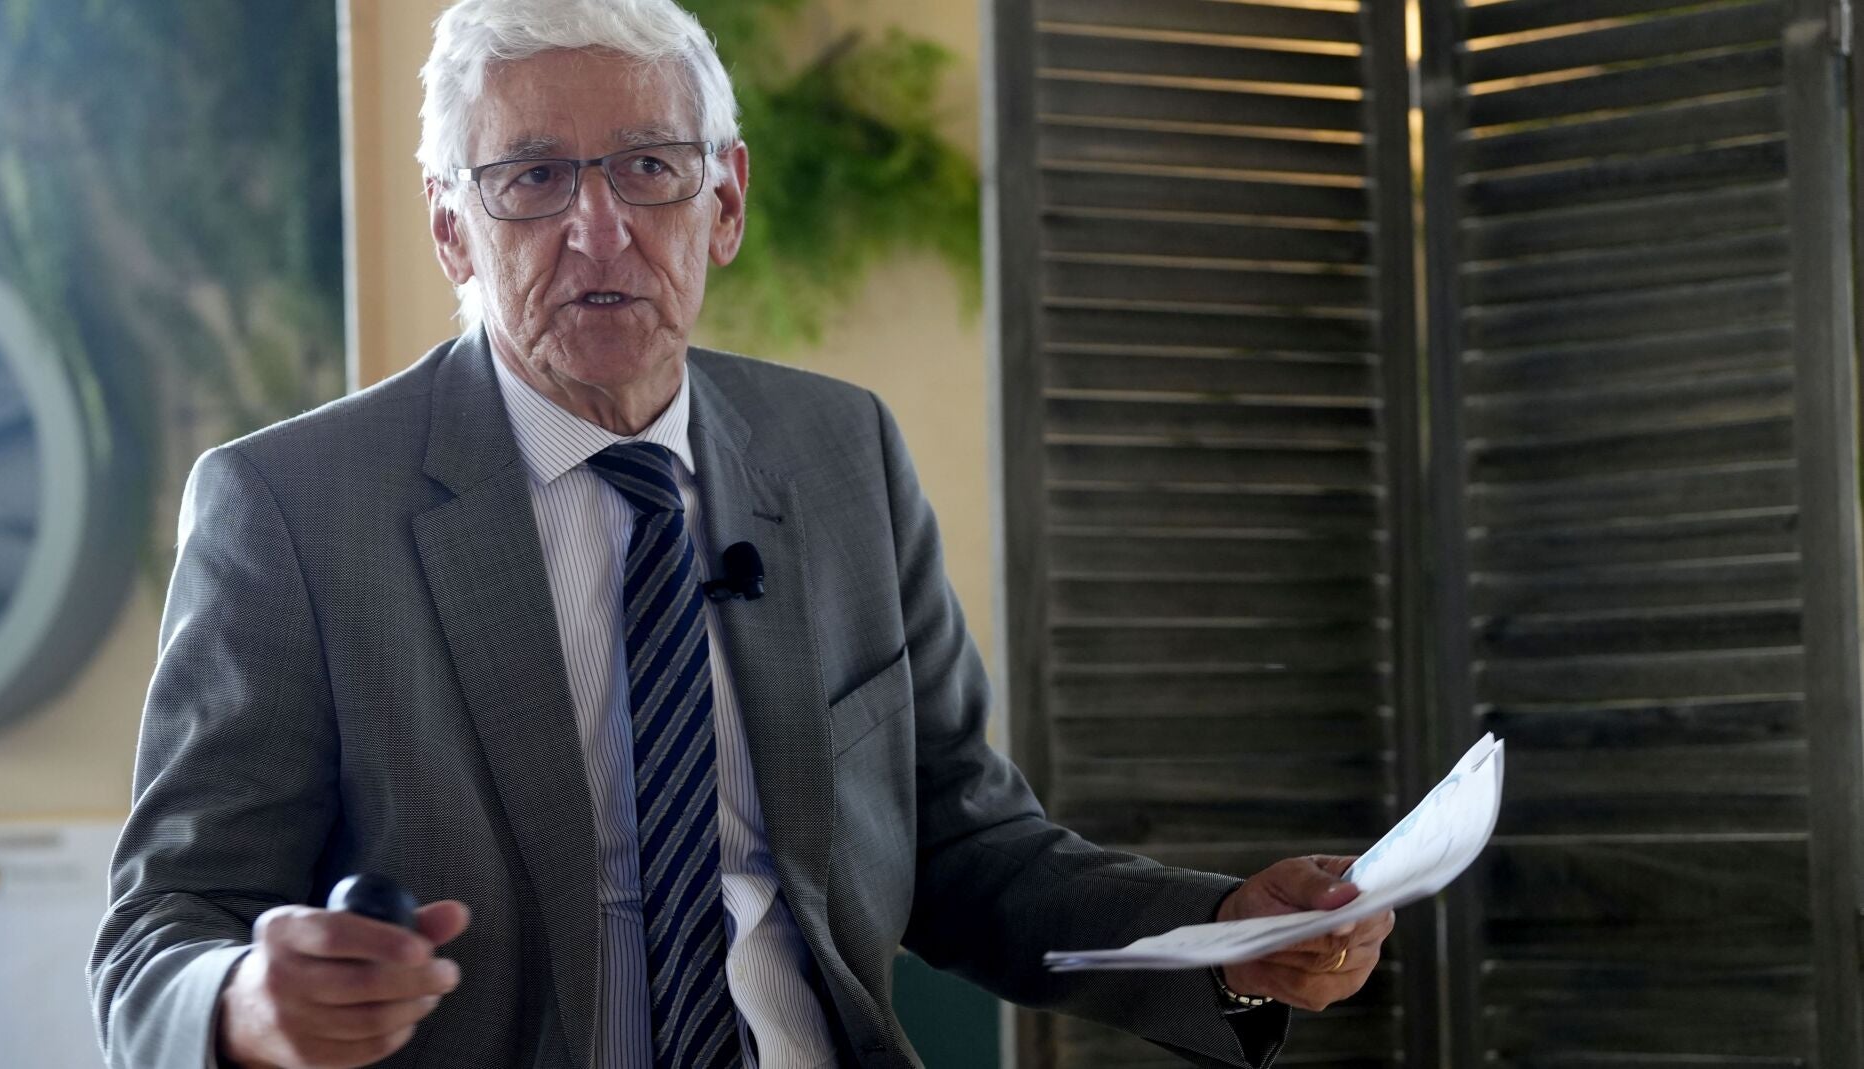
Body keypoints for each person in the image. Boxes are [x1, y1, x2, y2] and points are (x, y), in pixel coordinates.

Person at [88, 1, 1392, 1066]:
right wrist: (244, 1003)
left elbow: (964, 843)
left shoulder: (839, 453)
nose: (600, 230)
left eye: (649, 167)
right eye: (533, 178)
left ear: (723, 201)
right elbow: (162, 929)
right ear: (451, 228)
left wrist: (1224, 934)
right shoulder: (292, 508)